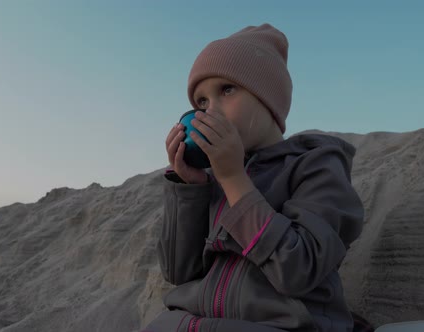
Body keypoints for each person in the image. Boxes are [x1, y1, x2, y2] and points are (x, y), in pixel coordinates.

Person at [143, 23, 364, 332]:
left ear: (268, 99)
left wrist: (234, 179)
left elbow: (298, 269)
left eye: (227, 90)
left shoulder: (315, 164)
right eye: (201, 102)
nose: (210, 111)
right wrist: (191, 189)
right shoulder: (214, 175)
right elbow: (179, 271)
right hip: (190, 322)